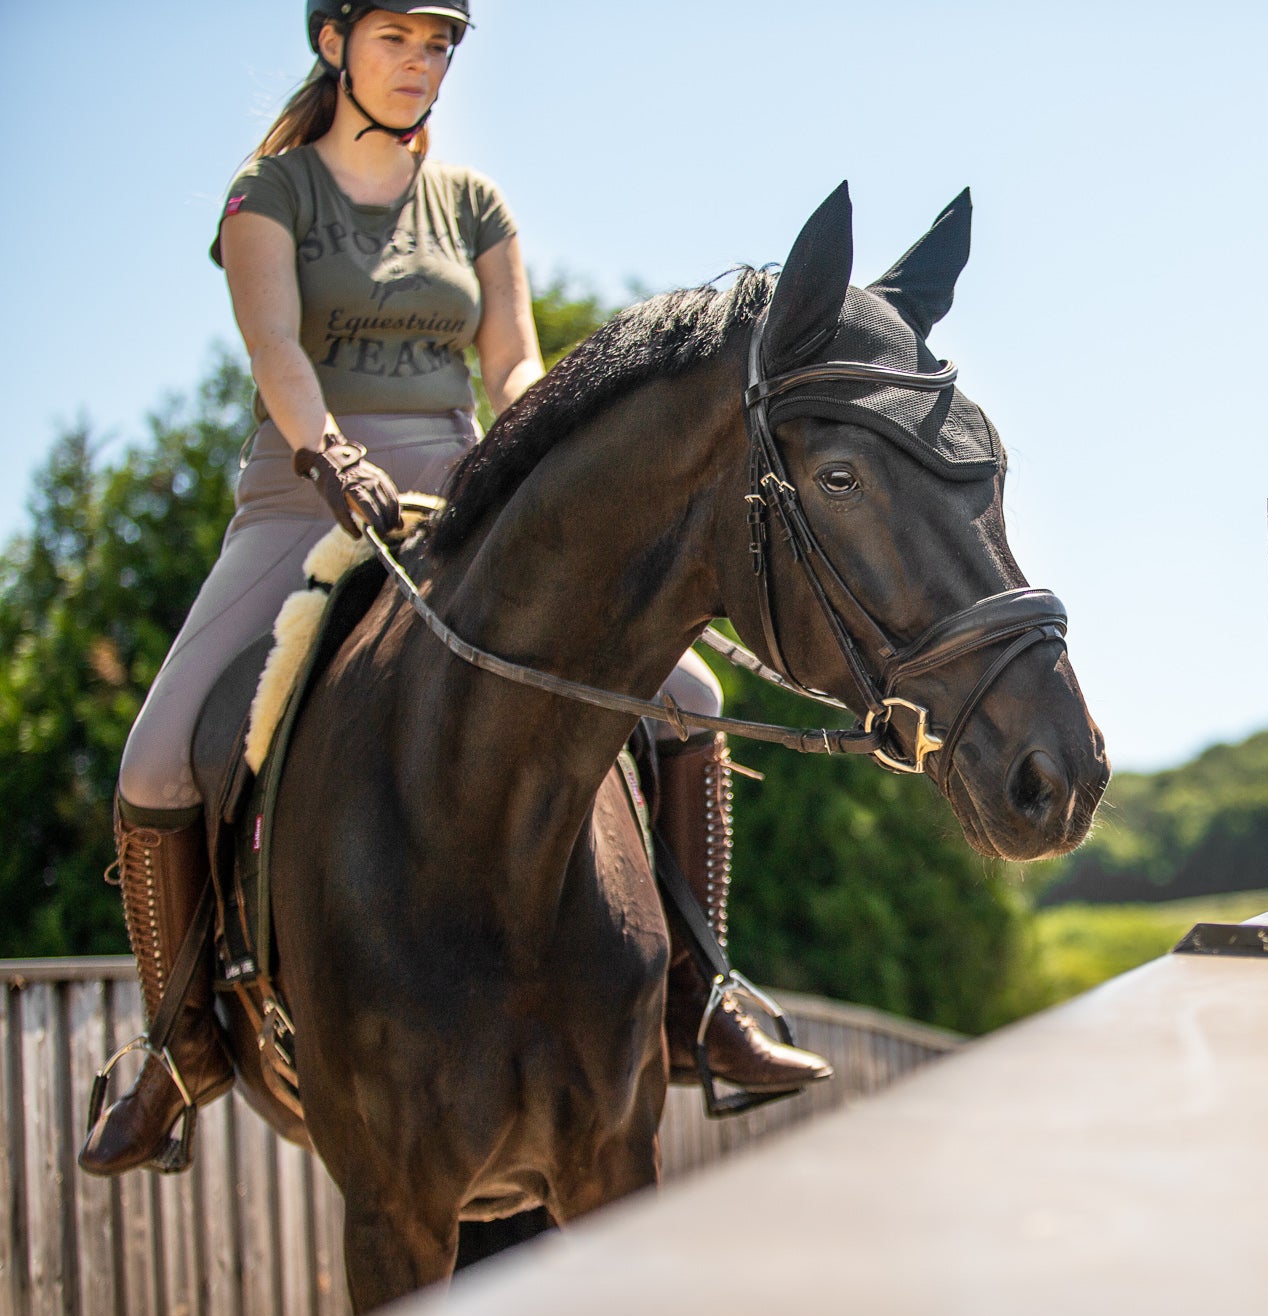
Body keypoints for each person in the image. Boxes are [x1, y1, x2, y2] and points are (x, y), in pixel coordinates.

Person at [80, 0, 827, 1177]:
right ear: (332, 43)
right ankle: (175, 1051)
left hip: (471, 494)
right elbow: (279, 352)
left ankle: (702, 997)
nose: (421, 64)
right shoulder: (264, 198)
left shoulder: (474, 204)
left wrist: (537, 456)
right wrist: (334, 457)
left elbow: (513, 359)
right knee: (157, 759)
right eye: (397, 39)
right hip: (306, 494)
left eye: (439, 46)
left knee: (681, 696)